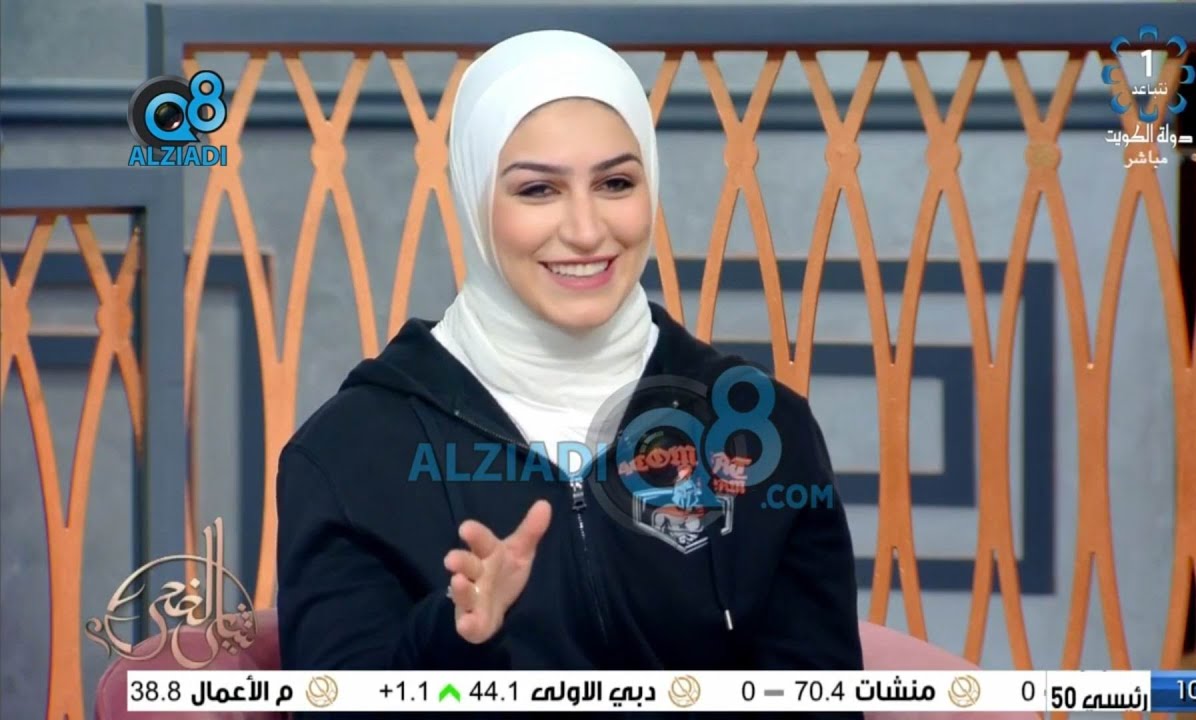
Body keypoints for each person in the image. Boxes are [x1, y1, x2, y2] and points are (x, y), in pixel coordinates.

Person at [275, 28, 863, 711]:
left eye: (615, 183)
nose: (586, 231)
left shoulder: (762, 431)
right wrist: (455, 643)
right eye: (538, 190)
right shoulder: (349, 454)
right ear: (476, 201)